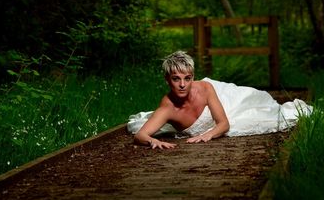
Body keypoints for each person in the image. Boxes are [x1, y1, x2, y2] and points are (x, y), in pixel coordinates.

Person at [127, 50, 313, 149]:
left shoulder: (205, 88)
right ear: (167, 80)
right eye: (176, 79)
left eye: (187, 78)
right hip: (205, 113)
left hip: (224, 103)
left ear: (193, 77)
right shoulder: (167, 107)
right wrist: (153, 141)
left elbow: (223, 123)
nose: (182, 84)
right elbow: (140, 135)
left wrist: (207, 134)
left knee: (259, 106)